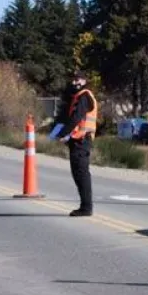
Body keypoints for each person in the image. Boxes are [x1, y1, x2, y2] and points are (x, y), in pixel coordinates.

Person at [57, 71, 98, 217]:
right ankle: (85, 206)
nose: (74, 82)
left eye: (77, 79)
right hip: (76, 140)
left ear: (84, 80)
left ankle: (86, 208)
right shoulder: (77, 97)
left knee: (81, 174)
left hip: (82, 140)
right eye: (73, 80)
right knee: (78, 173)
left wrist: (62, 134)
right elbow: (72, 119)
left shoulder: (85, 96)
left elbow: (76, 118)